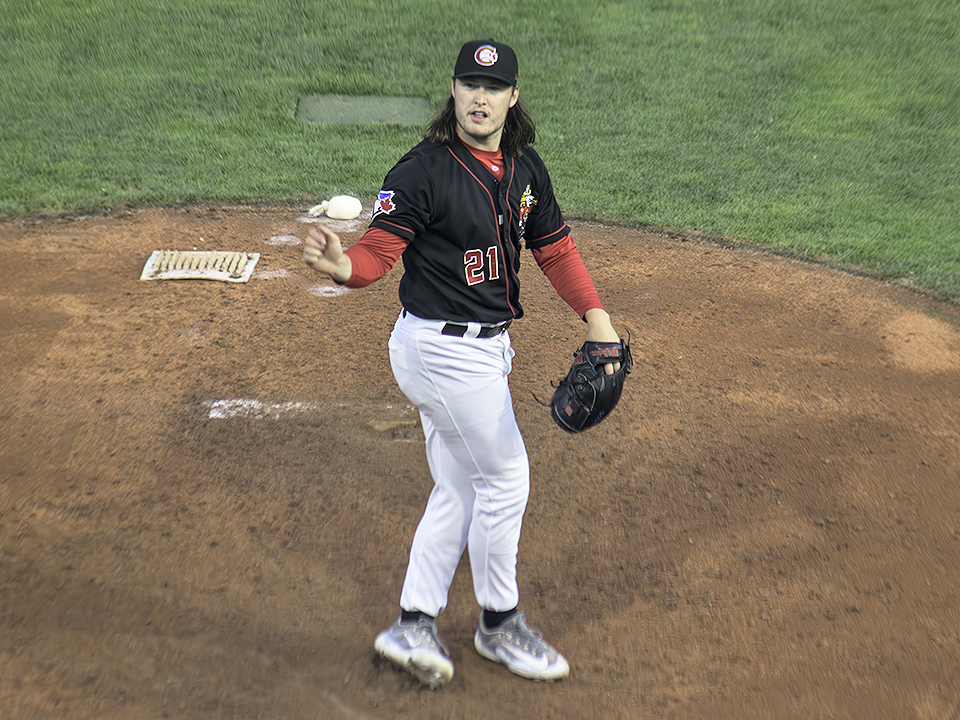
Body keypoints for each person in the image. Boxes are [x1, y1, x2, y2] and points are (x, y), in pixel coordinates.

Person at [303, 39, 623, 688]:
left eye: (492, 87)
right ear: (453, 93)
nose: (479, 98)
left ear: (511, 96)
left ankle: (413, 622)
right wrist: (342, 267)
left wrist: (598, 318)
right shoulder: (422, 171)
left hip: (483, 350)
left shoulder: (525, 170)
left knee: (460, 487)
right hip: (441, 352)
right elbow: (377, 253)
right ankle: (499, 624)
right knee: (506, 479)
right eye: (468, 85)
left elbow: (555, 251)